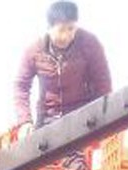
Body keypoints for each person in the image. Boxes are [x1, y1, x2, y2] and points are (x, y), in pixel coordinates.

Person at [13, 3, 112, 137]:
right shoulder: (34, 50)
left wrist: (102, 114)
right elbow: (21, 86)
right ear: (49, 28)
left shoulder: (89, 43)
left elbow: (102, 81)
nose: (66, 36)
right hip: (48, 119)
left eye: (71, 29)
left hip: (82, 115)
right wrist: (25, 121)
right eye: (61, 30)